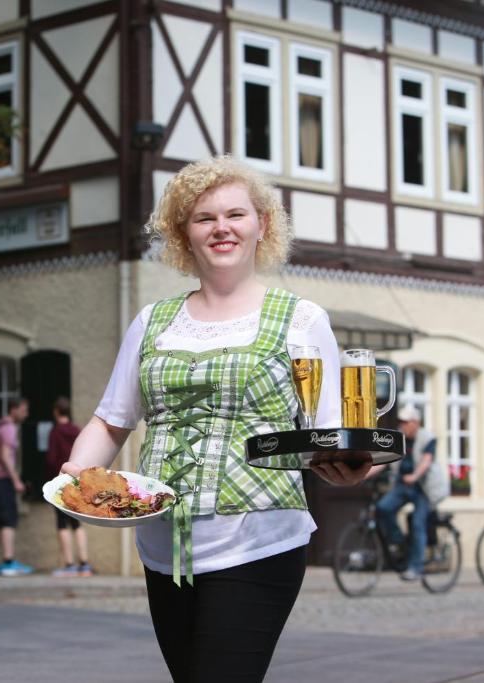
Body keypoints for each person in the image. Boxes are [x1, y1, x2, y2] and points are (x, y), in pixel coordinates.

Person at [61, 156, 369, 682]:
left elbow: (334, 431)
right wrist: (74, 479)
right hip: (165, 549)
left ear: (262, 225)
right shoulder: (152, 321)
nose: (221, 228)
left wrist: (357, 465)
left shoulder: (302, 319)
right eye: (204, 218)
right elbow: (111, 423)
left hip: (259, 540)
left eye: (235, 215)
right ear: (184, 233)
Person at [370, 406, 442, 581]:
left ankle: (416, 568)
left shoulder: (427, 438)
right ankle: (400, 543)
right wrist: (363, 475)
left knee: (418, 523)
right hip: (403, 485)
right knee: (383, 508)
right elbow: (384, 460)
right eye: (401, 422)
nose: (403, 426)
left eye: (406, 422)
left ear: (416, 423)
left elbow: (426, 461)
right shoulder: (398, 438)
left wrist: (415, 475)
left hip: (423, 489)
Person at [0, 397, 33, 576]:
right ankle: (8, 561)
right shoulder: (9, 428)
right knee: (7, 520)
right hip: (2, 479)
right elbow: (5, 457)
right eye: (23, 410)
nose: (26, 414)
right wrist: (16, 480)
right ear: (14, 409)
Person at [45, 397, 92, 577]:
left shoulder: (55, 432)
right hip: (76, 481)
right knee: (76, 522)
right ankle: (84, 564)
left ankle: (69, 564)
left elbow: (51, 459)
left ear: (57, 411)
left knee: (62, 523)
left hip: (59, 481)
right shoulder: (76, 431)